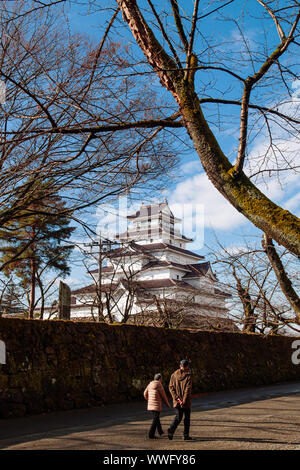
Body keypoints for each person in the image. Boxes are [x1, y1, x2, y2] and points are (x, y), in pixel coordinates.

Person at [168, 359, 193, 441]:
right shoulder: (188, 376)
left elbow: (171, 388)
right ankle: (186, 435)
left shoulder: (173, 375)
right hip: (186, 402)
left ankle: (171, 430)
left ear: (180, 366)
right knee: (187, 418)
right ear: (187, 367)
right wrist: (183, 401)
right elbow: (187, 390)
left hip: (177, 401)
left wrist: (177, 398)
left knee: (178, 417)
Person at [143, 373, 170, 439]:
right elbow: (163, 396)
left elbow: (144, 393)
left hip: (150, 404)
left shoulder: (150, 384)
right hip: (156, 404)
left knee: (156, 418)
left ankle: (160, 432)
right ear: (160, 379)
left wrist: (149, 399)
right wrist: (167, 404)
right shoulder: (159, 384)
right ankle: (151, 434)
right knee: (155, 419)